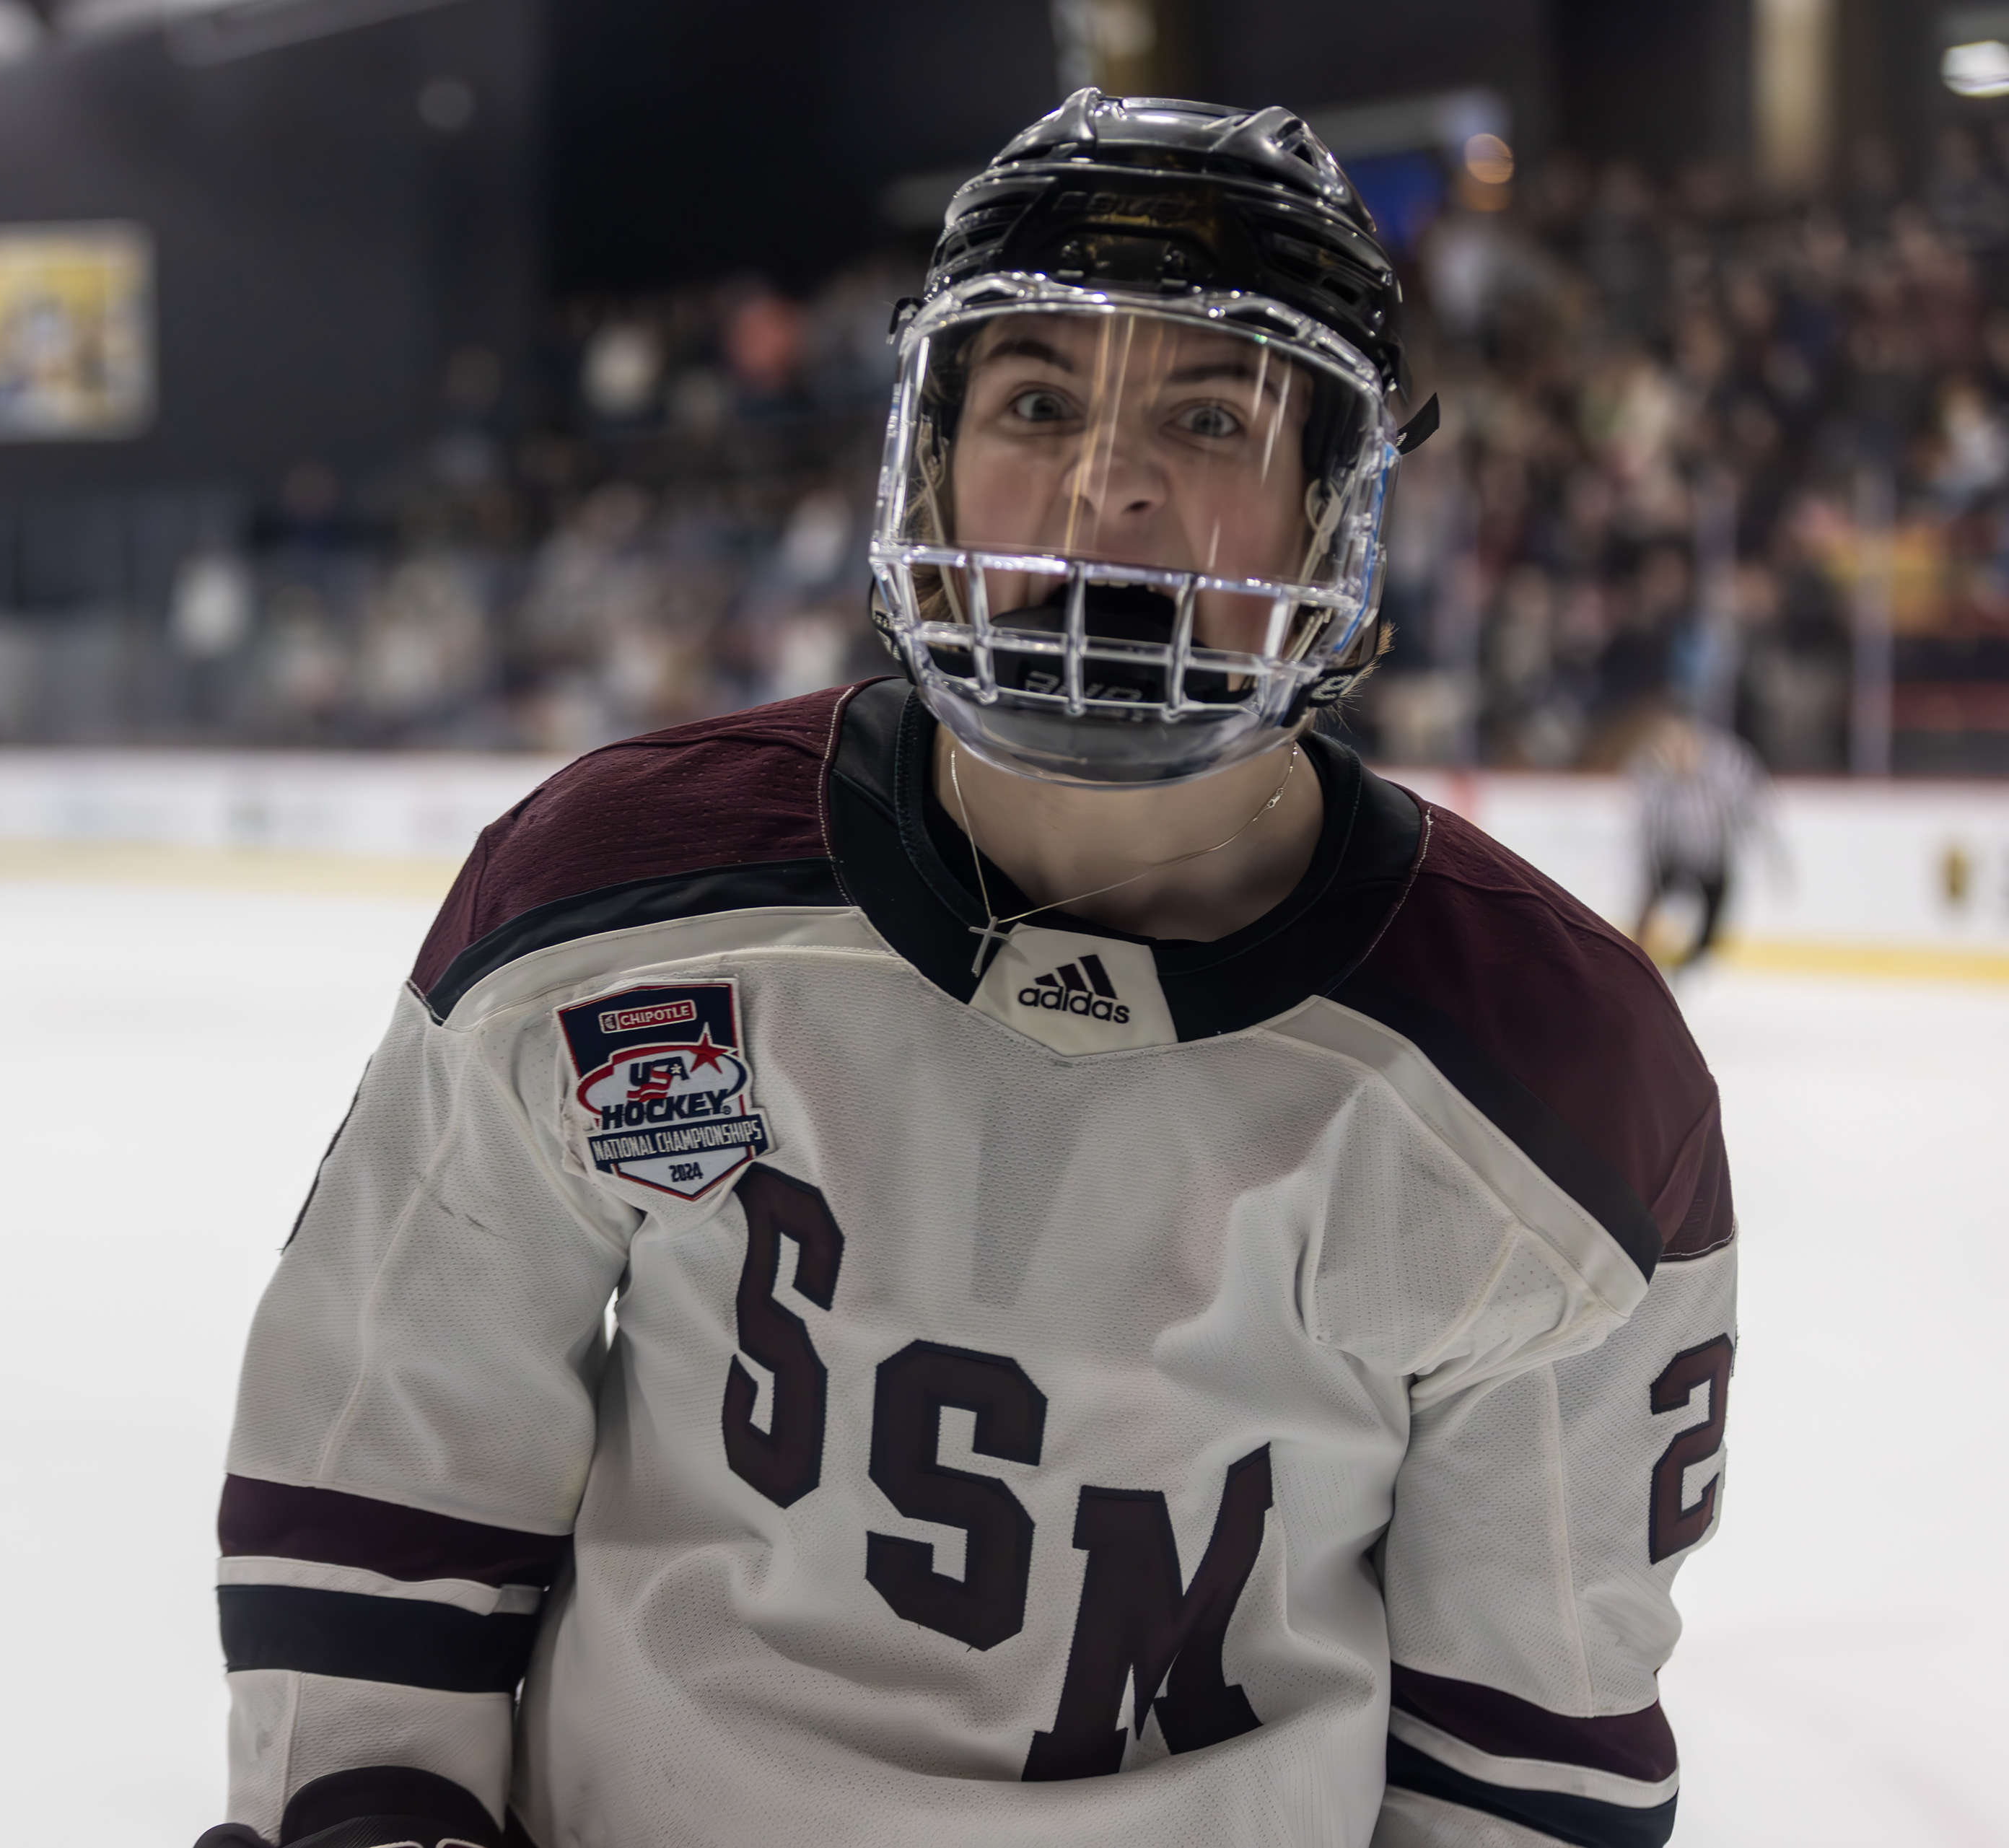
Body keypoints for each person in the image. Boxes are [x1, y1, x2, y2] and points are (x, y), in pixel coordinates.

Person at [202, 93, 1733, 1848]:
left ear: (1338, 508)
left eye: (1209, 412)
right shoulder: (601, 906)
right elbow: (383, 1480)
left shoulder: (1555, 1074)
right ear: (922, 458)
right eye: (1032, 401)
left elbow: (1521, 1756)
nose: (1107, 479)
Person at [1629, 707, 1772, 973]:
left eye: (1680, 740)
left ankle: (1684, 970)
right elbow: (1646, 826)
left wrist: (1764, 853)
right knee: (1651, 914)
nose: (1675, 749)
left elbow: (1751, 810)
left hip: (1713, 862)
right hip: (1670, 857)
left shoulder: (1726, 766)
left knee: (1707, 937)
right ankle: (1640, 967)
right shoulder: (1651, 770)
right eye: (1667, 741)